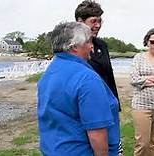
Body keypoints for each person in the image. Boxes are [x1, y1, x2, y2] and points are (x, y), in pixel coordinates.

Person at [37, 22, 120, 156]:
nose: (92, 46)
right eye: (88, 42)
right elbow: (97, 133)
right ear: (74, 47)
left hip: (53, 149)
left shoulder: (50, 72)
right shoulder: (87, 79)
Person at [75, 1, 124, 155]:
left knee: (115, 146)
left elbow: (109, 76)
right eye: (93, 21)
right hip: (91, 106)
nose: (97, 25)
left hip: (109, 105)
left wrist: (116, 103)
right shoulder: (76, 48)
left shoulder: (102, 45)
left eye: (99, 21)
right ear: (80, 21)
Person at [130, 28, 154, 156]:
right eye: (152, 41)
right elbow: (134, 79)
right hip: (141, 106)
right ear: (147, 41)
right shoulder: (139, 58)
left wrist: (144, 79)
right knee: (143, 143)